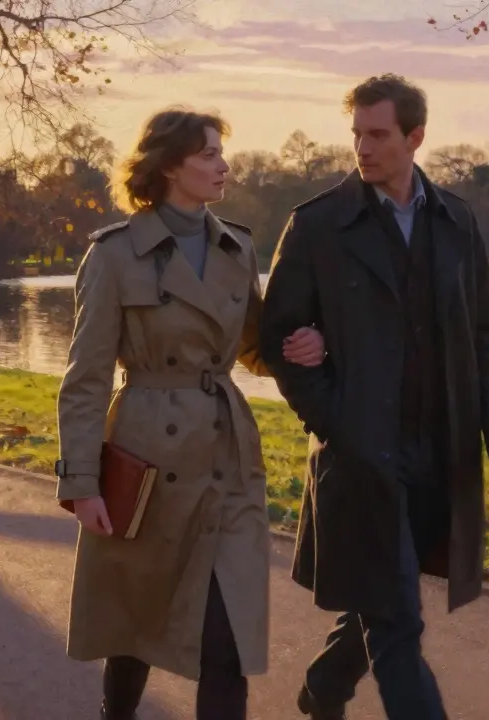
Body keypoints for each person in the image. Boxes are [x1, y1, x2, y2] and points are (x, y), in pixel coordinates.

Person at [258, 74, 489, 720]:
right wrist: (335, 422)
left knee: (388, 597)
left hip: (441, 453)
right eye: (356, 134)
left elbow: (487, 336)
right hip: (360, 457)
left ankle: (323, 687)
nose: (363, 147)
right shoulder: (318, 226)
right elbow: (279, 342)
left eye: (377, 135)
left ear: (415, 137)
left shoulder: (456, 221)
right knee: (399, 624)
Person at [53, 107, 326, 720]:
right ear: (170, 165)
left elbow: (252, 349)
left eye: (220, 153)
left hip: (226, 458)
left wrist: (304, 344)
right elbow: (86, 378)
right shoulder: (115, 255)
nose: (223, 165)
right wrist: (81, 482)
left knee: (226, 643)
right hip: (146, 459)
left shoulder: (237, 247)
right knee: (135, 626)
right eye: (208, 154)